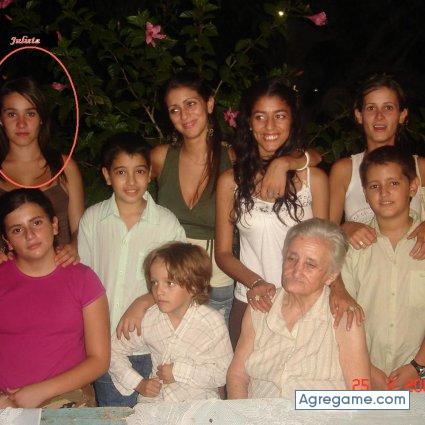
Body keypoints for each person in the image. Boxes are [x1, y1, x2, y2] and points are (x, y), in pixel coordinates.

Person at [117, 73, 320, 331]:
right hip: (167, 280)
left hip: (215, 283)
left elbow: (311, 155)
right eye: (174, 109)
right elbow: (126, 187)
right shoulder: (161, 157)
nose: (184, 115)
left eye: (191, 104)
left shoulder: (233, 158)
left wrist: (285, 162)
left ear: (209, 104)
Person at [215, 77, 355, 348]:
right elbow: (222, 254)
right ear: (249, 123)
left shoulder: (314, 179)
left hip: (308, 304)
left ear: (292, 120)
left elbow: (330, 249)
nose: (270, 126)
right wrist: (256, 283)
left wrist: (340, 290)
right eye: (260, 117)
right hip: (253, 301)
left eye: (279, 116)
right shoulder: (230, 182)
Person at [77, 133, 186, 407]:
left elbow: (181, 279)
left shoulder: (166, 223)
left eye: (139, 171)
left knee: (155, 415)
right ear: (107, 175)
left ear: (149, 174)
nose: (131, 181)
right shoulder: (93, 220)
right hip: (105, 344)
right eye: (121, 172)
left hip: (153, 345)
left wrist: (144, 300)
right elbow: (83, 281)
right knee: (113, 414)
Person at [227, 218, 370, 398]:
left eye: (310, 265)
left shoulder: (344, 317)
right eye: (291, 258)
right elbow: (237, 375)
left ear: (330, 276)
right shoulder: (260, 306)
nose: (296, 270)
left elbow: (360, 391)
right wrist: (242, 412)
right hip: (258, 410)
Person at [0, 189, 109, 408]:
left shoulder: (82, 279)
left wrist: (40, 392)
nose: (30, 235)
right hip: (6, 400)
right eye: (17, 229)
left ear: (55, 225)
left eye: (37, 223)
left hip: (68, 396)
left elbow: (99, 360)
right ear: (8, 241)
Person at [341, 146, 425, 390]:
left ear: (413, 186)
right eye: (374, 186)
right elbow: (343, 313)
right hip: (363, 372)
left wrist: (418, 366)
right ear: (365, 194)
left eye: (394, 183)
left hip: (420, 374)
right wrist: (365, 366)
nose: (384, 192)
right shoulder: (353, 248)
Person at [109, 242, 233, 402]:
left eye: (169, 283)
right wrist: (138, 383)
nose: (159, 291)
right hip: (156, 403)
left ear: (194, 286)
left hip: (199, 402)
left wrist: (179, 372)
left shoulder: (212, 323)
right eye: (154, 282)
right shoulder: (149, 319)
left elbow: (224, 371)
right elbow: (112, 351)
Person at [329, 74, 425, 257]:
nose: (379, 116)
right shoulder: (345, 170)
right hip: (359, 270)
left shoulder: (420, 167)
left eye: (388, 107)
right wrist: (345, 228)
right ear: (359, 115)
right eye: (371, 108)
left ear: (402, 115)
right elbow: (326, 231)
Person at [0, 77, 84, 266]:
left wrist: (75, 246)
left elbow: (80, 227)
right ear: (1, 120)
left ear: (41, 119)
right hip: (7, 275)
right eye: (12, 114)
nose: (21, 124)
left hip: (59, 270)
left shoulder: (65, 167)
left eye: (30, 113)